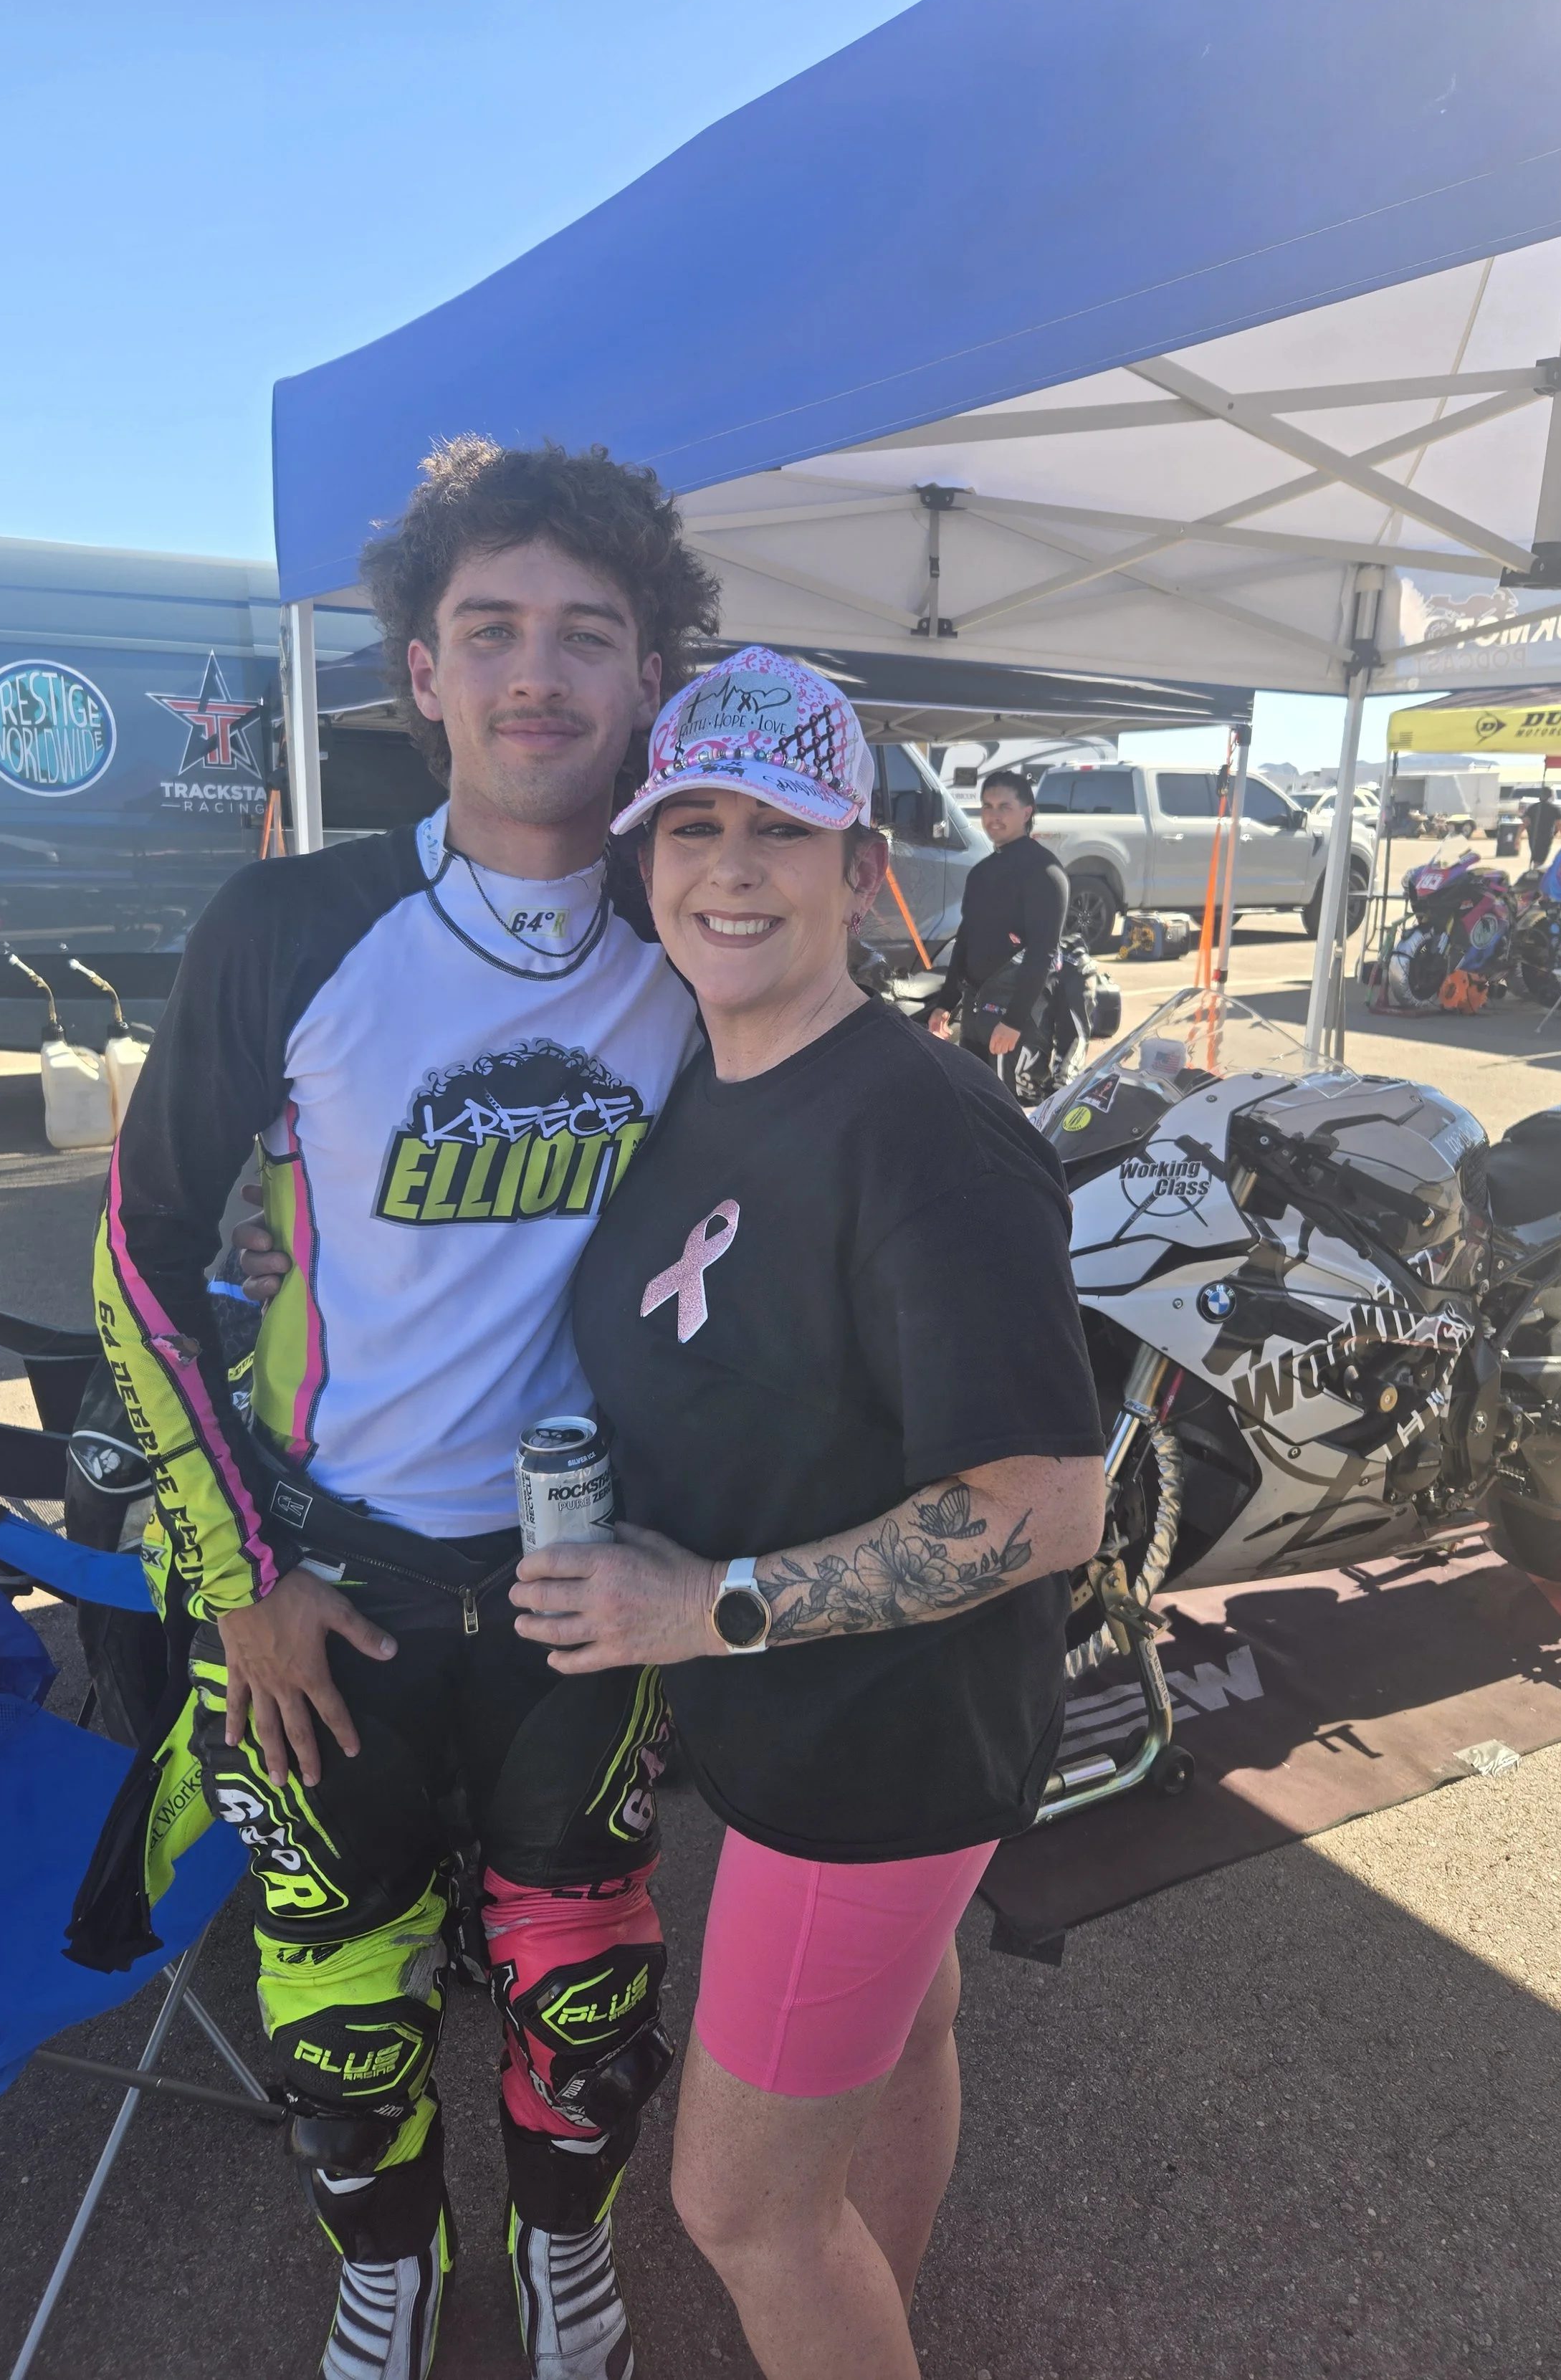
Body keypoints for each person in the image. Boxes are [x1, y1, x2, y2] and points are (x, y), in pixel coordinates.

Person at [95, 436, 719, 2380]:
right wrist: (238, 1584)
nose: (538, 669)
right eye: (491, 627)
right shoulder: (286, 923)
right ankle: (388, 2261)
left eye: (586, 634)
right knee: (340, 2004)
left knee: (587, 1985)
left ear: (645, 678)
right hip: (329, 1578)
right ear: (423, 670)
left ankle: (563, 2247)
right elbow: (135, 1255)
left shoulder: (700, 934)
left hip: (584, 1583)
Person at [508, 649, 1107, 2380]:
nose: (729, 867)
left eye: (779, 828)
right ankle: (877, 2306)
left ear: (860, 870)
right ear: (642, 860)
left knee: (741, 2205)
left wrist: (706, 1604)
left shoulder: (926, 1132)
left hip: (877, 1746)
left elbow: (1047, 1504)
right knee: (902, 2029)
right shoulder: (705, 1072)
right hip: (807, 1725)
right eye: (690, 824)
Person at [927, 767, 1069, 1070]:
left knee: (1008, 1100)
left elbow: (1042, 954)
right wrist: (946, 1002)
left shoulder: (1045, 874)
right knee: (974, 1096)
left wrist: (1014, 1022)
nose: (994, 816)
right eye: (988, 806)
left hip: (1014, 1024)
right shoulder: (982, 872)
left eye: (1005, 807)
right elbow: (966, 939)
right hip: (976, 1016)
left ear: (1027, 813)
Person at [1524, 780, 1561, 869]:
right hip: (1546, 837)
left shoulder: (1533, 807)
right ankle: (1536, 871)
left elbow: (1525, 822)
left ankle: (1536, 870)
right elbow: (1560, 823)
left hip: (1533, 836)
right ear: (1550, 796)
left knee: (1536, 858)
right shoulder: (1554, 808)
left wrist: (1517, 837)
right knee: (1540, 859)